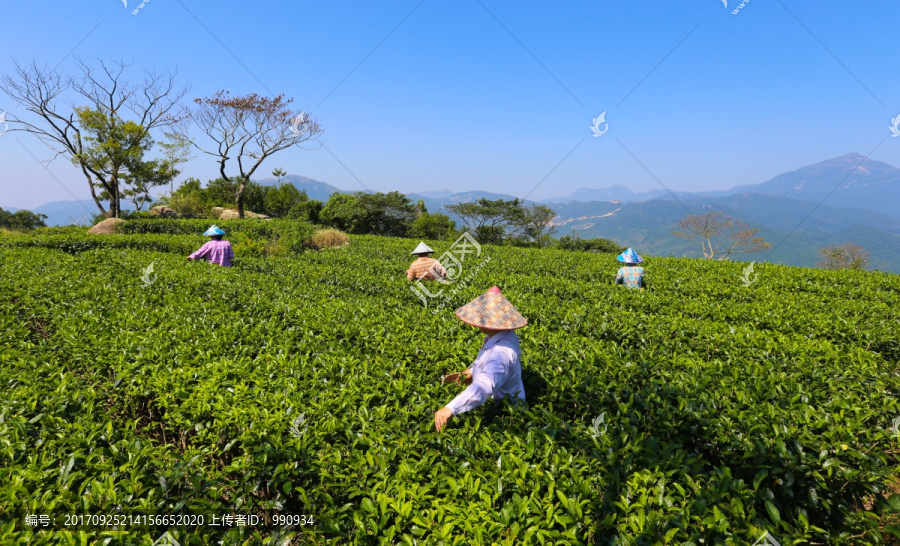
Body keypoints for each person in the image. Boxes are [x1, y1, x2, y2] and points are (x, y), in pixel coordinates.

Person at [435, 286, 527, 432]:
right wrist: (471, 372)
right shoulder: (505, 334)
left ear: (483, 325)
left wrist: (450, 408)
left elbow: (485, 385)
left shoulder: (501, 354)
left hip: (506, 414)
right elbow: (488, 364)